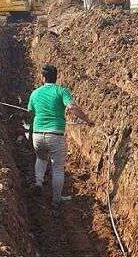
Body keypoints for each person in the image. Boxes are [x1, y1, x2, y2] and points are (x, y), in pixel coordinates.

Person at [27, 64, 93, 209]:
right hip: (55, 134)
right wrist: (87, 120)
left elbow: (30, 112)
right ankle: (56, 200)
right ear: (56, 77)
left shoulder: (35, 93)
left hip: (38, 134)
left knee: (41, 158)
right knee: (57, 168)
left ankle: (38, 183)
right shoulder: (62, 91)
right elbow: (72, 108)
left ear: (43, 78)